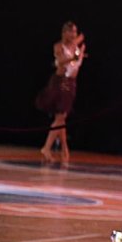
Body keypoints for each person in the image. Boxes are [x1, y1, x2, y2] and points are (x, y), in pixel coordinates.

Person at [36, 21, 86, 163]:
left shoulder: (76, 47)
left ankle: (64, 149)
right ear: (65, 33)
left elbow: (80, 41)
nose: (74, 34)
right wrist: (73, 57)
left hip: (71, 83)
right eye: (71, 31)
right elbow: (60, 61)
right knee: (61, 116)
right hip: (61, 82)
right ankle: (47, 147)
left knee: (61, 117)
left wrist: (80, 51)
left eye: (75, 31)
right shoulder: (59, 46)